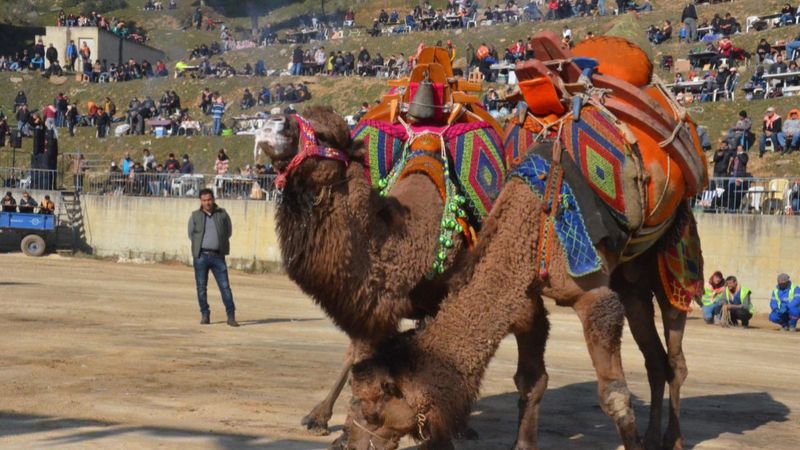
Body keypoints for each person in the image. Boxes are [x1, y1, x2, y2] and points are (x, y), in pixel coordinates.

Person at [188, 188, 238, 327]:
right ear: (200, 201)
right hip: (201, 257)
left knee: (225, 287)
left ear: (213, 199)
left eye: (209, 200)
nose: (207, 203)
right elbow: (191, 234)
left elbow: (228, 232)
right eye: (204, 200)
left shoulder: (222, 214)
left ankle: (231, 316)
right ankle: (205, 314)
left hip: (218, 256)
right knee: (201, 288)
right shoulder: (195, 216)